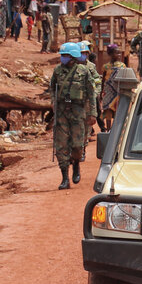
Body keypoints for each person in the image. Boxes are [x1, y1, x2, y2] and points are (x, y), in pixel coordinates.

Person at [50, 43, 96, 189]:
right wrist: (53, 103)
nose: (62, 58)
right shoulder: (57, 71)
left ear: (73, 57)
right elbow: (52, 89)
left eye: (65, 55)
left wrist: (93, 113)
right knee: (61, 145)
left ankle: (76, 163)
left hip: (78, 111)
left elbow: (91, 93)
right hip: (62, 111)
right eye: (62, 55)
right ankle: (65, 178)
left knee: (77, 145)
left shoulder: (84, 71)